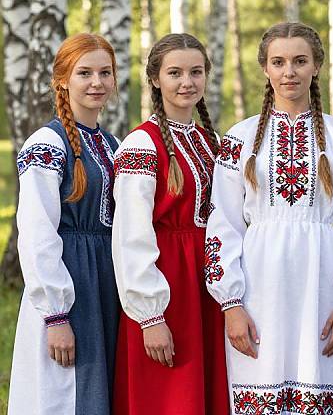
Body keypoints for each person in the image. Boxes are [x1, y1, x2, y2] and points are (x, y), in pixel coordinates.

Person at [205, 22, 333, 414]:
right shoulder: (240, 138)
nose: (289, 72)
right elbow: (223, 225)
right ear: (264, 68)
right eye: (278, 62)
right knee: (258, 388)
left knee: (322, 385)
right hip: (258, 285)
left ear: (316, 65)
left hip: (323, 283)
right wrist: (231, 303)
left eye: (300, 61)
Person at [111, 33, 229, 414]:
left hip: (206, 281)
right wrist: (150, 316)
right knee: (170, 396)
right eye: (175, 72)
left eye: (196, 72)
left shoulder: (210, 141)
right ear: (155, 79)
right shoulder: (141, 145)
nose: (186, 82)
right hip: (167, 284)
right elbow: (131, 235)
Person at [8, 34, 120, 415]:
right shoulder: (46, 143)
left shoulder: (111, 143)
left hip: (106, 278)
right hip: (69, 280)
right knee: (64, 392)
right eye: (84, 72)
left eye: (105, 73)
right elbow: (37, 233)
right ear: (62, 80)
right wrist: (55, 315)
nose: (97, 82)